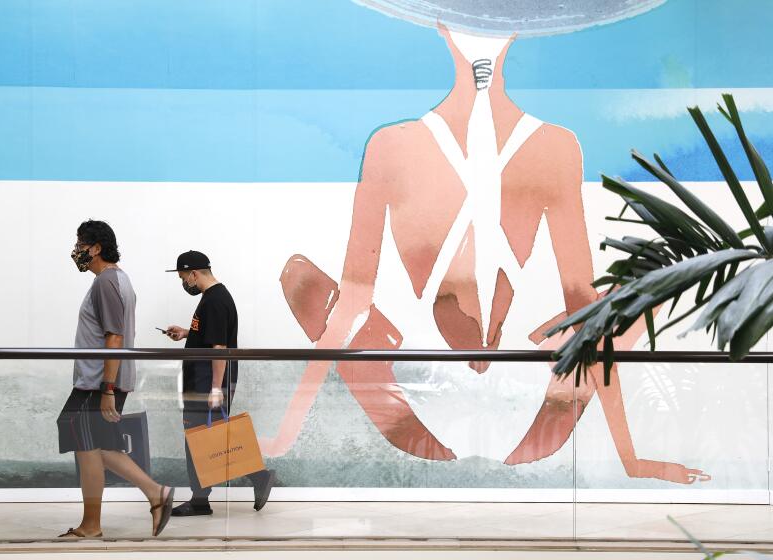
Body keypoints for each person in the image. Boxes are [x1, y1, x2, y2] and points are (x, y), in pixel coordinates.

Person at [269, 22, 707, 483]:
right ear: (445, 26)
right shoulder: (400, 147)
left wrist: (632, 462)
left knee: (640, 286)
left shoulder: (543, 147)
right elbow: (587, 316)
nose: (481, 30)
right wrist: (284, 438)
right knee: (300, 276)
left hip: (527, 412)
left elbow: (586, 312)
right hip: (429, 411)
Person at [56, 220, 174, 539]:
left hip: (98, 382)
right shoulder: (119, 279)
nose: (77, 250)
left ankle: (98, 522)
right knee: (94, 445)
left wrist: (107, 389)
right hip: (104, 380)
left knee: (86, 442)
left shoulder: (106, 282)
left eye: (81, 244)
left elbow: (114, 337)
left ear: (95, 248)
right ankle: (152, 495)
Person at [164, 250, 275, 516]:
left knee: (199, 438)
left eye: (183, 278)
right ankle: (253, 478)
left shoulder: (214, 300)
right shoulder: (215, 297)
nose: (184, 283)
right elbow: (212, 334)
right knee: (210, 438)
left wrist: (215, 388)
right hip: (205, 381)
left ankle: (203, 499)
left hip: (207, 383)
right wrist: (187, 333)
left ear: (194, 273)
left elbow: (219, 347)